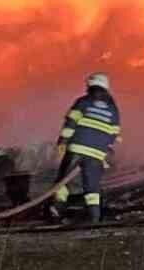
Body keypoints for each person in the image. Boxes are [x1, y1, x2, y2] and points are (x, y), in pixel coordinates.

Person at [49, 72, 121, 224]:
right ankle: (94, 218)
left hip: (77, 148)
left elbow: (70, 124)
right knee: (92, 187)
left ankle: (56, 211)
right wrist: (104, 149)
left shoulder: (83, 102)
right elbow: (114, 133)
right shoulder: (113, 109)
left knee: (62, 181)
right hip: (96, 154)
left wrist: (62, 142)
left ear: (90, 86)